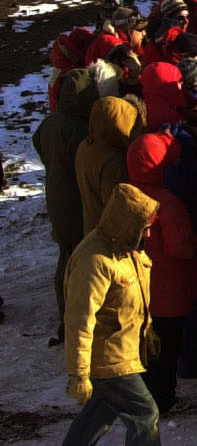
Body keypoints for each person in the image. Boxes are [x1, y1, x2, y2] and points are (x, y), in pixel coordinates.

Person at [61, 183, 161, 446]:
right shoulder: (94, 260)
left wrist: (146, 331)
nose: (149, 234)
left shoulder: (127, 249)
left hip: (120, 350)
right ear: (128, 223)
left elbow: (132, 300)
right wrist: (79, 374)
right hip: (107, 357)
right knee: (144, 413)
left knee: (100, 414)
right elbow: (79, 320)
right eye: (146, 227)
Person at [125, 133, 197, 416]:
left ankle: (140, 397)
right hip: (167, 290)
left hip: (134, 290)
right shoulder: (166, 202)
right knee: (166, 350)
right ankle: (163, 399)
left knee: (139, 349)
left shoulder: (122, 196)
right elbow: (180, 247)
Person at [35, 68, 99, 338]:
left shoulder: (50, 122)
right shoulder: (78, 127)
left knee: (65, 256)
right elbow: (85, 163)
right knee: (77, 261)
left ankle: (67, 318)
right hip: (76, 200)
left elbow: (38, 143)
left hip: (57, 197)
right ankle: (74, 322)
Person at [77, 96, 141, 236]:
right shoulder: (113, 160)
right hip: (108, 237)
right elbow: (116, 208)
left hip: (91, 228)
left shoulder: (86, 145)